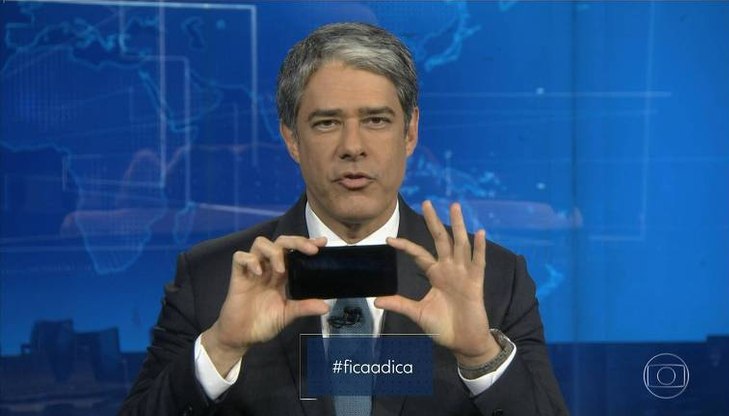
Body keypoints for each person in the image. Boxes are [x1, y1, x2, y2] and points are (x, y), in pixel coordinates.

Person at [121, 22, 568, 416]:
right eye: (327, 123)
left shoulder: (494, 281)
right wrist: (221, 347)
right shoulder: (211, 280)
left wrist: (481, 357)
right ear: (291, 138)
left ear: (410, 132)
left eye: (376, 120)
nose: (352, 146)